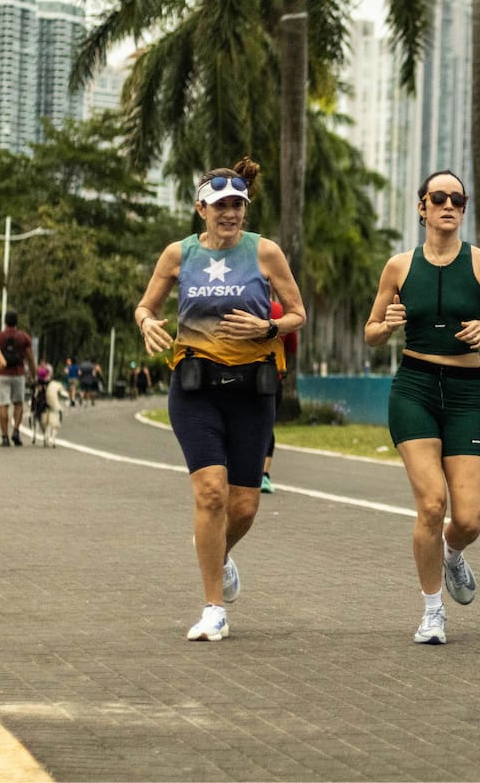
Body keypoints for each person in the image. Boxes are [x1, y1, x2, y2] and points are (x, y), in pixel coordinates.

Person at [135, 157, 306, 642]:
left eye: (236, 205)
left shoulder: (265, 252)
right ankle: (213, 608)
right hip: (195, 390)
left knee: (244, 506)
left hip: (252, 389)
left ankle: (219, 553)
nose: (229, 213)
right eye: (219, 206)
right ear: (200, 209)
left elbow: (298, 313)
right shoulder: (178, 254)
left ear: (245, 209)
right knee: (211, 492)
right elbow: (146, 306)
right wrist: (147, 321)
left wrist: (269, 326)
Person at [364, 169, 480, 646]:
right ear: (422, 207)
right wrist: (387, 324)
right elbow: (370, 333)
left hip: (465, 392)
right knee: (432, 504)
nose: (448, 204)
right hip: (413, 388)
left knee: (469, 519)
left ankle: (453, 553)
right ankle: (433, 611)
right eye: (439, 197)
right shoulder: (398, 267)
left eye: (457, 198)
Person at [260, 300, 297, 493]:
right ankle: (264, 475)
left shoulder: (239, 305)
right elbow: (292, 346)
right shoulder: (281, 311)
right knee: (267, 423)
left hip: (240, 374)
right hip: (273, 375)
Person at [0, 310, 36, 446]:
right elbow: (30, 358)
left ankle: (4, 437)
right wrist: (33, 376)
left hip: (1, 374)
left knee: (3, 404)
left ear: (5, 321)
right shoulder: (23, 337)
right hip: (18, 374)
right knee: (18, 403)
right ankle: (16, 431)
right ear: (17, 322)